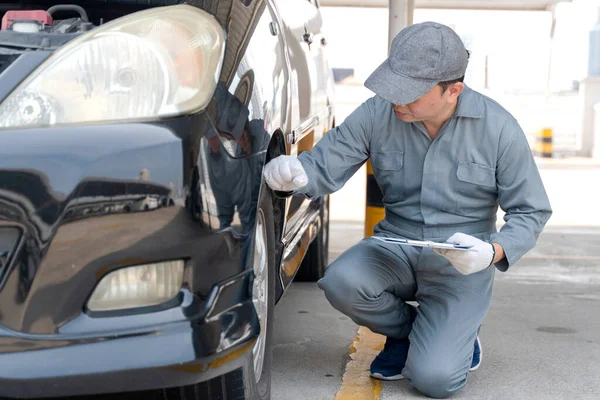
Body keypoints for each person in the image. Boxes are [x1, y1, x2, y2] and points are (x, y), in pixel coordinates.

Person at [262, 21, 552, 398]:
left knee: (434, 380)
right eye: (393, 85)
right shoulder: (376, 114)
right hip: (394, 247)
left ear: (453, 91)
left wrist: (492, 251)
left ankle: (456, 336)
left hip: (460, 262)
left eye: (410, 93)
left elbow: (531, 211)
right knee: (341, 281)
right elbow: (324, 165)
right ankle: (406, 330)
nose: (396, 99)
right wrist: (295, 171)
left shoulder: (499, 129)